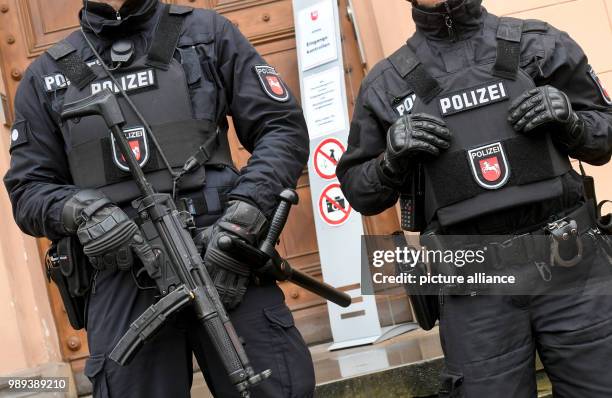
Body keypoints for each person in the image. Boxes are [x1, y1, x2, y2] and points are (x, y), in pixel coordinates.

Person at [3, 0, 315, 396]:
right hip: (122, 271)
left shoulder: (205, 33)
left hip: (222, 257)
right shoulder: (49, 72)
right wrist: (82, 211)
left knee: (276, 389)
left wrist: (246, 212)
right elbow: (29, 188)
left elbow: (282, 128)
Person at [337, 0, 612, 396]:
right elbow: (359, 191)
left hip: (571, 267)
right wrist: (390, 160)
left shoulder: (540, 45)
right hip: (474, 285)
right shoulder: (387, 82)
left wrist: (570, 120)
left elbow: (604, 135)